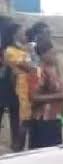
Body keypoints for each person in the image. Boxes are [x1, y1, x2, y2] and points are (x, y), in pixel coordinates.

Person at [29, 40, 63, 148]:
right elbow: (33, 97)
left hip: (54, 118)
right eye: (52, 53)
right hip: (43, 120)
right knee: (43, 152)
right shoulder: (38, 71)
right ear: (43, 55)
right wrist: (60, 96)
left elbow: (62, 92)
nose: (55, 56)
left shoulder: (53, 71)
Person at [3, 22, 33, 151]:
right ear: (15, 34)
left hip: (25, 88)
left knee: (22, 119)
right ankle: (16, 147)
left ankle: (18, 147)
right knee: (18, 119)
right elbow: (29, 67)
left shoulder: (23, 50)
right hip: (15, 89)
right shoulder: (10, 50)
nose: (25, 34)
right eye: (22, 31)